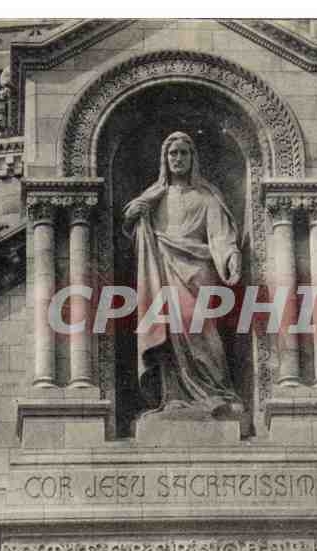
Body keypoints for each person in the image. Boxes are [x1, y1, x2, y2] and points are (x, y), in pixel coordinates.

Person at [122, 131, 244, 421]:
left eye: (183, 153)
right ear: (164, 159)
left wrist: (231, 257)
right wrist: (134, 214)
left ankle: (217, 391)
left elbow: (220, 237)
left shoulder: (207, 198)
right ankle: (174, 396)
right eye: (172, 153)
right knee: (168, 333)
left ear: (193, 158)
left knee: (202, 332)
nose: (178, 159)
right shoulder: (154, 196)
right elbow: (134, 230)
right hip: (162, 270)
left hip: (198, 273)